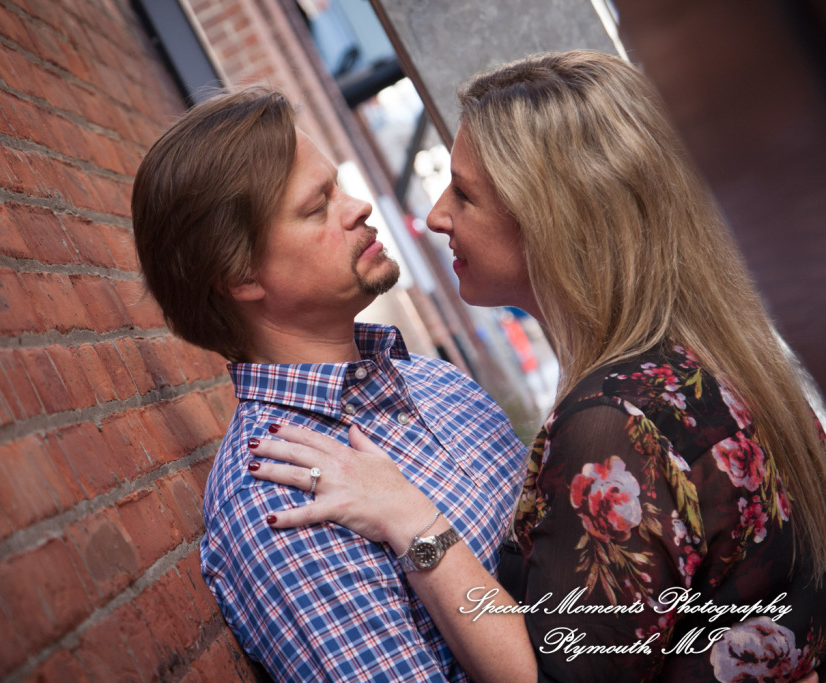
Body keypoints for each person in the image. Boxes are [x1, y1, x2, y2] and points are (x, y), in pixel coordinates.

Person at [247, 51, 826, 682]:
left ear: (551, 221)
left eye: (463, 193)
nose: (437, 214)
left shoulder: (611, 426)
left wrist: (413, 521)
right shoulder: (709, 363)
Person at [130, 87, 527, 681]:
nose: (359, 206)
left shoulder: (439, 384)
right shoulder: (281, 500)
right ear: (241, 275)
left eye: (337, 185)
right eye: (318, 207)